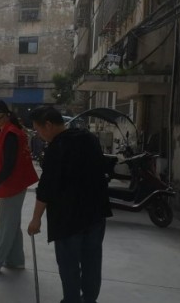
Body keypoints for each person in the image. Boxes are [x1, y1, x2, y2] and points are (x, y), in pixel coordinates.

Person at [27, 106, 112, 303]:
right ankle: (89, 300)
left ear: (48, 125)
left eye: (38, 130)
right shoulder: (89, 138)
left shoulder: (56, 149)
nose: (38, 136)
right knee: (92, 262)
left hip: (68, 219)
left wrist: (36, 219)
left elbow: (46, 188)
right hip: (95, 215)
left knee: (69, 266)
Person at [0, 99, 38, 276]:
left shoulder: (11, 133)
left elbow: (9, 167)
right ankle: (15, 260)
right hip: (13, 183)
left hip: (14, 184)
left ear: (3, 116)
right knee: (12, 223)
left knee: (4, 224)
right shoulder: (6, 131)